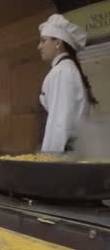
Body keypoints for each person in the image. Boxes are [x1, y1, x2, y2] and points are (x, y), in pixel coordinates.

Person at [38, 14, 98, 153]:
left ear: (58, 42)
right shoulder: (66, 69)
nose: (39, 46)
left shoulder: (62, 71)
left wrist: (49, 159)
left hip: (63, 154)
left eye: (43, 41)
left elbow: (60, 122)